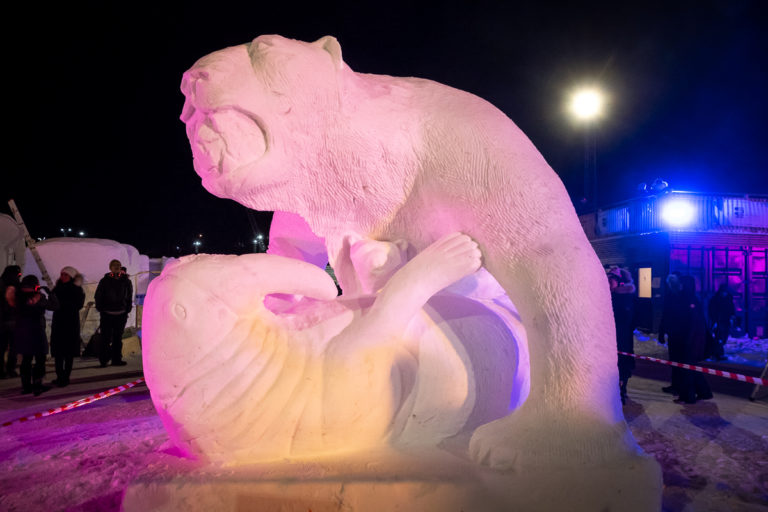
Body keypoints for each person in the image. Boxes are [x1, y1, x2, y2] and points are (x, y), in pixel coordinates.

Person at [15, 275, 59, 395]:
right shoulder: (39, 297)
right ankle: (37, 385)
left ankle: (26, 386)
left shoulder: (18, 297)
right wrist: (51, 293)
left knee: (26, 359)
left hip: (23, 331)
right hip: (37, 330)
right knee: (40, 359)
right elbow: (54, 306)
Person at [50, 266, 85, 387]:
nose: (63, 277)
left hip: (70, 323)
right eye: (62, 274)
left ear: (71, 277)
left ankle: (65, 377)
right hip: (59, 323)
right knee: (58, 353)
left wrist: (63, 305)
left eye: (66, 275)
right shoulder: (57, 288)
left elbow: (78, 304)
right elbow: (52, 302)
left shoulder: (76, 289)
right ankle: (59, 376)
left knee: (68, 353)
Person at [94, 259, 132, 367]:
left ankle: (116, 359)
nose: (116, 267)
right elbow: (98, 295)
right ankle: (104, 359)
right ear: (110, 267)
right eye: (114, 265)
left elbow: (129, 296)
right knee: (105, 338)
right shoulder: (104, 280)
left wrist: (127, 309)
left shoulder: (126, 281)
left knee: (117, 338)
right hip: (107, 313)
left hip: (120, 313)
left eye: (118, 265)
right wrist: (101, 308)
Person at [607, 267, 636, 405]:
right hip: (611, 339)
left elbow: (627, 319)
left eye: (611, 280)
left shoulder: (623, 297)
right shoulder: (609, 295)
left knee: (622, 365)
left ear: (619, 282)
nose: (608, 282)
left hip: (622, 339)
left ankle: (621, 391)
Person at [0, 265, 22, 379]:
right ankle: (10, 369)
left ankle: (5, 370)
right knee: (12, 347)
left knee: (4, 347)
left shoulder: (3, 284)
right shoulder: (16, 286)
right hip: (12, 321)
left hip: (7, 321)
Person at [708, 283, 735, 361]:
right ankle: (718, 354)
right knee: (719, 337)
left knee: (723, 338)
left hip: (726, 321)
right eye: (723, 292)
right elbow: (711, 311)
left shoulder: (728, 298)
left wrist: (732, 316)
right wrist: (714, 321)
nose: (724, 293)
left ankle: (715, 352)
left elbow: (731, 308)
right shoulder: (715, 299)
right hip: (718, 321)